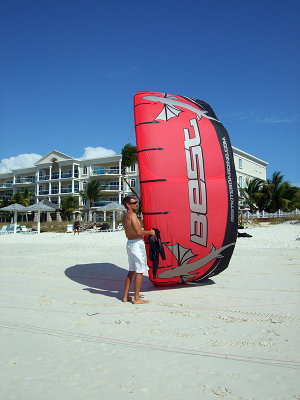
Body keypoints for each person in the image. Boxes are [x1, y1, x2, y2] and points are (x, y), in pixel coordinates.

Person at [121, 196, 155, 304]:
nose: (137, 204)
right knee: (140, 271)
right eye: (134, 202)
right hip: (136, 244)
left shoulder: (124, 216)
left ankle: (125, 296)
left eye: (137, 202)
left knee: (131, 271)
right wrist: (150, 232)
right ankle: (136, 298)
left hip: (129, 243)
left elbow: (130, 231)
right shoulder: (132, 215)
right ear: (128, 205)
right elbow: (138, 232)